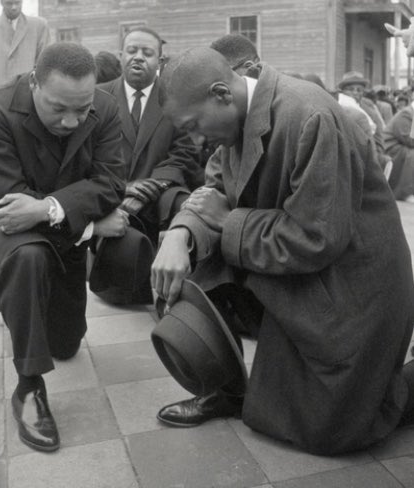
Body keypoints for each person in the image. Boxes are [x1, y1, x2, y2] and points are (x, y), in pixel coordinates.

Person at [150, 47, 414, 455]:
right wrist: (178, 233)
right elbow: (212, 193)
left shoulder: (310, 116)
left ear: (221, 93)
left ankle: (397, 383)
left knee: (331, 433)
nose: (198, 140)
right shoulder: (235, 118)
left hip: (352, 285)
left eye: (194, 126)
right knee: (199, 258)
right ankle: (228, 391)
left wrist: (229, 221)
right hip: (301, 270)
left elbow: (316, 238)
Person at [0, 43, 127, 452]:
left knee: (66, 345)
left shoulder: (107, 107)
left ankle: (2, 284)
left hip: (54, 218)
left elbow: (111, 183)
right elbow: (10, 202)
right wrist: (89, 225)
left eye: (82, 109)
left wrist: (50, 209)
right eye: (58, 108)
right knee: (27, 255)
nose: (71, 121)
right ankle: (29, 388)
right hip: (1, 217)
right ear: (35, 83)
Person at [96, 26, 203, 304]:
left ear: (160, 61)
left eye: (147, 53)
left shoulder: (174, 98)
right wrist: (122, 188)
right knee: (125, 281)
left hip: (160, 192)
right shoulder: (99, 97)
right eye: (132, 51)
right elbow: (89, 155)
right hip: (115, 197)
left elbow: (184, 152)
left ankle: (180, 288)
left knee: (184, 205)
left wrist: (151, 184)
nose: (138, 57)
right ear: (121, 56)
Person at [0, 0, 50, 92]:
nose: (14, 7)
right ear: (1, 2)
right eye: (9, 3)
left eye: (17, 2)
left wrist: (34, 89)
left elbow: (43, 62)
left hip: (28, 93)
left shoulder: (39, 26)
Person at [384, 104, 414, 202]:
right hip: (392, 147)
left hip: (402, 146)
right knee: (412, 155)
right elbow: (406, 138)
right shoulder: (407, 114)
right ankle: (405, 193)